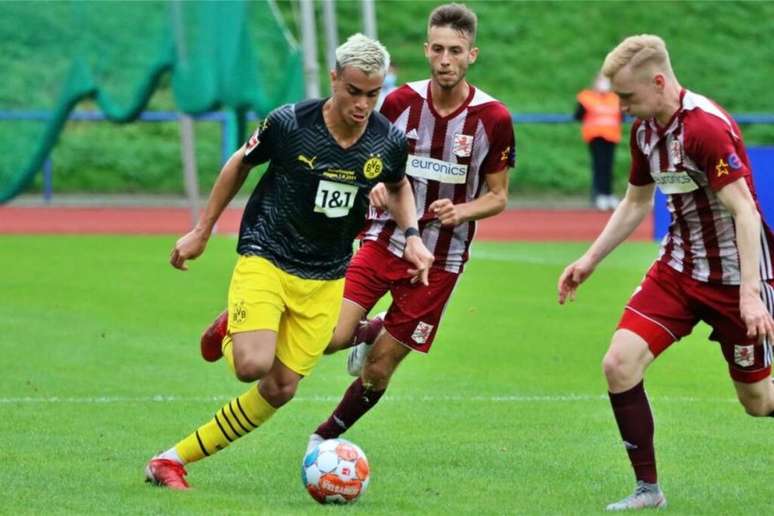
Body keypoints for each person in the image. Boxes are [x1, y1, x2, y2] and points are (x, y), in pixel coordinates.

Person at [201, 2, 514, 454]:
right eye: (439, 49)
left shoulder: (494, 119)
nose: (446, 60)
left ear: (472, 55)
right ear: (427, 51)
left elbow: (499, 196)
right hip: (382, 239)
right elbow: (373, 161)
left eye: (456, 51)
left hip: (441, 258)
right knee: (331, 337)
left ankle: (322, 440)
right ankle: (248, 320)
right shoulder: (399, 102)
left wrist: (462, 213)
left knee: (378, 370)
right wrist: (376, 192)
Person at [144, 33, 434, 490]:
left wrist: (413, 235)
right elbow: (240, 163)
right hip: (268, 254)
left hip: (326, 274)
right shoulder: (290, 124)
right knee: (250, 366)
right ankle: (231, 331)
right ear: (334, 79)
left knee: (280, 389)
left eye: (372, 94)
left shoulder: (387, 141)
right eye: (353, 91)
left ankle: (169, 461)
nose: (362, 104)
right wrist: (203, 230)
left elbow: (399, 186)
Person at [558, 34, 774, 511]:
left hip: (736, 280)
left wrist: (751, 294)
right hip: (676, 270)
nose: (624, 107)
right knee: (618, 364)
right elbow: (636, 203)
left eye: (629, 97)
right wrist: (589, 260)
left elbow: (746, 213)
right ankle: (648, 490)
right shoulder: (644, 131)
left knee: (758, 403)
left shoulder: (706, 129)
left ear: (659, 82)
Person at [575, 72, 623, 210]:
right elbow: (578, 115)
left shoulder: (615, 98)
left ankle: (608, 194)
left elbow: (622, 115)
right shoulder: (587, 98)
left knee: (609, 166)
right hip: (596, 136)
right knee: (599, 166)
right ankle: (599, 194)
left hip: (611, 136)